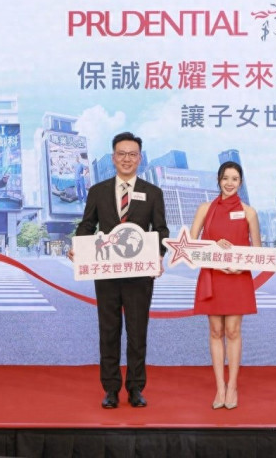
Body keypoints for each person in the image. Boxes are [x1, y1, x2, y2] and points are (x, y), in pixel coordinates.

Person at [69, 132, 169, 409]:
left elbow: (161, 230)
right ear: (113, 158)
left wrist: (158, 255)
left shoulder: (153, 192)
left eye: (132, 154)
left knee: (138, 333)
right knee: (109, 331)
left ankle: (136, 388)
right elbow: (87, 226)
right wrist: (78, 246)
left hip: (139, 274)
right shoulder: (98, 191)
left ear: (140, 158)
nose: (127, 159)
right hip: (107, 273)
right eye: (122, 154)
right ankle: (111, 389)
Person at [190, 161, 261, 410]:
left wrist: (241, 266)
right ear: (218, 180)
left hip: (237, 277)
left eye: (235, 179)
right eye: (225, 178)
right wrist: (213, 247)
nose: (229, 183)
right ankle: (220, 386)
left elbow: (257, 251)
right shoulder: (204, 208)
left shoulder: (249, 212)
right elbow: (191, 246)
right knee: (215, 331)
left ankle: (232, 386)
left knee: (232, 331)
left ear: (240, 182)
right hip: (212, 275)